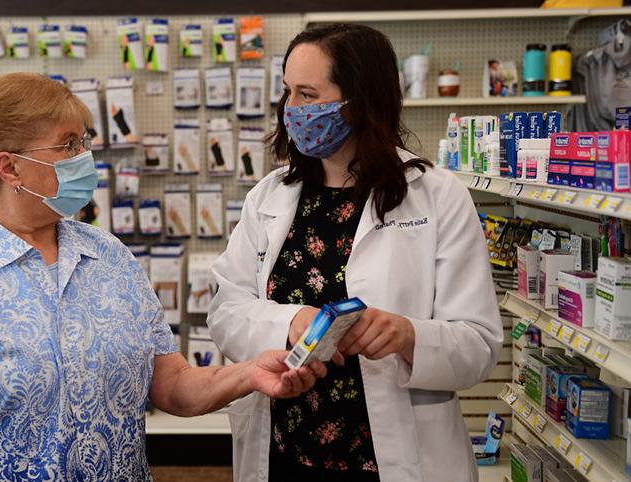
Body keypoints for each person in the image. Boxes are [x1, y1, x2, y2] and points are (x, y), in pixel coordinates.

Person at [0, 72, 327, 481]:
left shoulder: (108, 256)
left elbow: (170, 384)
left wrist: (251, 372)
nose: (85, 157)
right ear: (8, 167)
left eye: (84, 141)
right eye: (69, 145)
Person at [207, 24, 504, 482]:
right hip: (285, 451)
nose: (292, 110)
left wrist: (408, 335)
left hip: (394, 459)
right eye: (288, 93)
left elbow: (479, 345)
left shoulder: (437, 197)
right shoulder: (268, 197)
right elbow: (226, 311)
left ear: (362, 100)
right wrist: (289, 323)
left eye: (309, 94)